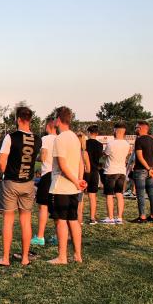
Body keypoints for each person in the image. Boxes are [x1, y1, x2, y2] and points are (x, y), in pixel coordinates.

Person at [0, 106, 41, 266]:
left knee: (8, 220)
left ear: (18, 119)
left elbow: (1, 161)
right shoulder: (37, 138)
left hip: (11, 183)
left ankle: (6, 258)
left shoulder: (10, 137)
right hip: (28, 184)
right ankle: (25, 258)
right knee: (25, 221)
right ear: (30, 119)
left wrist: (4, 173)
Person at [48, 106, 87, 265]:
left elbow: (62, 165)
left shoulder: (60, 138)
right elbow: (80, 162)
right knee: (73, 220)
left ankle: (62, 257)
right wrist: (79, 180)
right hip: (73, 188)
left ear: (58, 119)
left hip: (61, 187)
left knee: (61, 221)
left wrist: (76, 181)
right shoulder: (74, 138)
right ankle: (77, 255)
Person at [32, 117, 57, 246]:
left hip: (48, 175)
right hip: (59, 176)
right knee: (57, 208)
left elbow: (43, 156)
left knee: (43, 206)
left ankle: (40, 237)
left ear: (48, 126)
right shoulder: (61, 138)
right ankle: (58, 236)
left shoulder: (46, 139)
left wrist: (34, 158)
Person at [100, 122, 131, 224]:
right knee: (119, 194)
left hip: (110, 171)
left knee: (109, 195)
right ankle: (120, 217)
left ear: (115, 131)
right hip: (121, 171)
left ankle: (110, 217)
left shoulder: (111, 143)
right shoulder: (127, 144)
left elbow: (105, 154)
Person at [131, 120, 153, 223]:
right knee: (151, 193)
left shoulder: (139, 140)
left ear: (142, 128)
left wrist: (148, 169)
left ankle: (142, 217)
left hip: (141, 170)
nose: (135, 129)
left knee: (141, 194)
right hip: (151, 170)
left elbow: (139, 156)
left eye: (136, 127)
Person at [85, 125, 103, 224]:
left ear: (88, 132)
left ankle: (79, 217)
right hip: (95, 171)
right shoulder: (100, 145)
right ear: (97, 133)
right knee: (92, 196)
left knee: (81, 196)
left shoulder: (85, 144)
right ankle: (92, 217)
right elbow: (100, 160)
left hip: (85, 171)